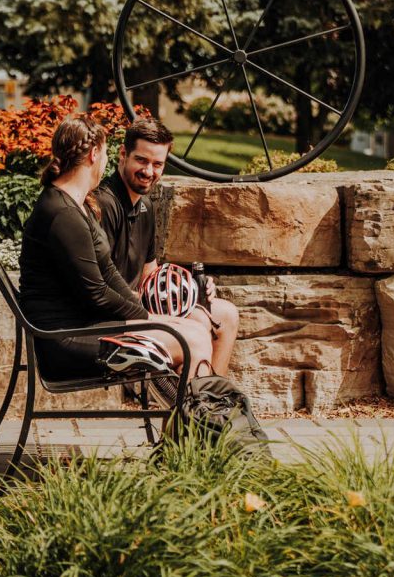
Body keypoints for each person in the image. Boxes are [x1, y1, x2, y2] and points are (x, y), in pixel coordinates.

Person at [18, 113, 215, 381]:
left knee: (192, 330)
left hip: (86, 329)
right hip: (68, 342)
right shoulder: (61, 213)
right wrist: (149, 318)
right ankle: (201, 421)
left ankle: (196, 418)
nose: (106, 163)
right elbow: (97, 294)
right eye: (106, 156)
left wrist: (153, 317)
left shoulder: (77, 204)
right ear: (94, 154)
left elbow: (108, 272)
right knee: (192, 340)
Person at [93, 117, 240, 377]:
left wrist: (190, 290)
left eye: (157, 164)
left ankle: (212, 400)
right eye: (142, 160)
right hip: (116, 317)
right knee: (196, 330)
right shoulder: (104, 204)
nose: (149, 171)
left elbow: (151, 274)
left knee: (226, 314)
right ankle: (196, 411)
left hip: (143, 307)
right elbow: (102, 287)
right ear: (123, 154)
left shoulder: (145, 205)